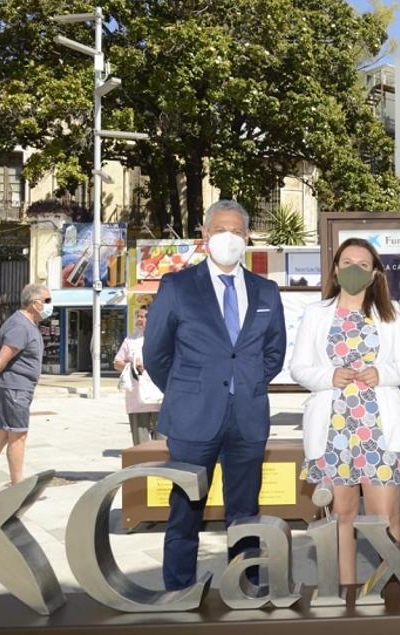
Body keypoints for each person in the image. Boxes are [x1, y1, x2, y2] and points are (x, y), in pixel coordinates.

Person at [144, 199, 286, 590]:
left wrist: (249, 382)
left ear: (247, 238)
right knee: (185, 512)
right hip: (193, 419)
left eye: (237, 231)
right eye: (221, 230)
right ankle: (179, 589)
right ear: (205, 236)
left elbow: (274, 352)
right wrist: (187, 391)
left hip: (248, 418)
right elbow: (156, 353)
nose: (229, 237)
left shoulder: (266, 291)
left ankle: (246, 586)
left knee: (245, 513)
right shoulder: (177, 286)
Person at [290, 239, 400, 585]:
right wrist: (328, 376)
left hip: (378, 429)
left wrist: (383, 373)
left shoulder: (389, 311)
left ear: (375, 272)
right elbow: (299, 368)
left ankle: (399, 585)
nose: (353, 269)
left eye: (363, 265)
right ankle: (348, 593)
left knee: (386, 518)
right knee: (342, 515)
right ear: (334, 268)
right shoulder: (316, 314)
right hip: (334, 432)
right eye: (346, 262)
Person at [0, 283, 51, 488]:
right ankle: (18, 485)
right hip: (15, 388)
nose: (50, 305)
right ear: (35, 303)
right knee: (18, 435)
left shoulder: (25, 324)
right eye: (47, 301)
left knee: (3, 434)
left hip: (16, 387)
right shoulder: (21, 326)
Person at [115, 306, 163, 446]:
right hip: (137, 399)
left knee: (163, 443)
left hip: (159, 398)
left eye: (143, 316)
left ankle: (162, 467)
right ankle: (143, 467)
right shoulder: (130, 340)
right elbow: (117, 363)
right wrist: (131, 366)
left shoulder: (162, 338)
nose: (139, 319)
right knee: (140, 445)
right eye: (138, 316)